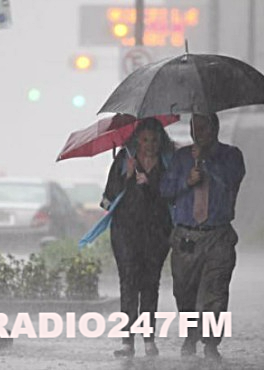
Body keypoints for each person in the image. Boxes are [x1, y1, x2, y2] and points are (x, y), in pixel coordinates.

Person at [160, 113, 245, 363]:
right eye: (194, 128)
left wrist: (207, 164)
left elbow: (231, 182)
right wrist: (187, 181)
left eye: (204, 127)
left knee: (216, 292)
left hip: (218, 235)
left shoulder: (231, 156)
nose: (199, 133)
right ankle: (190, 334)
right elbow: (166, 190)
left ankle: (210, 343)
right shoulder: (180, 158)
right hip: (186, 236)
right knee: (184, 291)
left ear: (215, 128)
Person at [101, 117, 175, 358]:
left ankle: (149, 339)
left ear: (160, 141)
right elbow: (107, 199)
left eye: (154, 140)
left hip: (156, 233)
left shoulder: (168, 163)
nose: (149, 145)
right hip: (125, 232)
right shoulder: (124, 160)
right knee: (129, 282)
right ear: (137, 140)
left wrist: (151, 182)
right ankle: (127, 341)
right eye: (144, 140)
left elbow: (174, 194)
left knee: (150, 284)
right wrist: (127, 176)